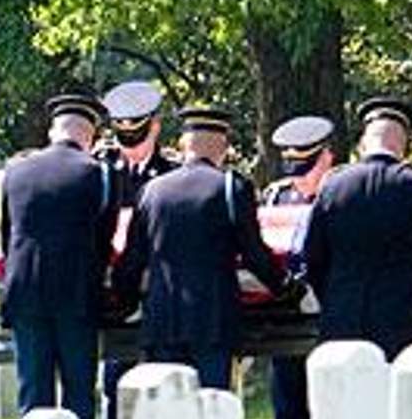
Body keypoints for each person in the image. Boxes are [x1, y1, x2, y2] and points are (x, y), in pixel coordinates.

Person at [113, 107, 298, 388]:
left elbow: (132, 259)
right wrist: (287, 290)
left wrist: (122, 299)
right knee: (212, 413)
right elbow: (254, 254)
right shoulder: (230, 188)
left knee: (165, 418)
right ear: (223, 147)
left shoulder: (152, 191)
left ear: (182, 145)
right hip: (213, 323)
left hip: (163, 323)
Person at [0, 93, 118, 419]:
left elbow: (6, 234)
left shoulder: (16, 170)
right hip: (76, 293)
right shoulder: (99, 174)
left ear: (53, 130)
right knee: (79, 390)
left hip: (25, 290)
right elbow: (104, 238)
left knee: (34, 388)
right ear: (91, 135)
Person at [294, 96, 412, 360]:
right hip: (402, 319)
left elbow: (313, 255)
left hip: (343, 319)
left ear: (363, 142)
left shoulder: (333, 184)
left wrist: (334, 295)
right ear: (404, 144)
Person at [97, 80, 179, 419]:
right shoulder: (99, 171)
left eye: (138, 134)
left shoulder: (171, 174)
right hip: (115, 294)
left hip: (162, 291)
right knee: (116, 379)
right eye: (123, 135)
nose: (130, 144)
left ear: (155, 127)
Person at [262, 114, 335, 419]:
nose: (298, 176)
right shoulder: (276, 195)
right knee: (289, 404)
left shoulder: (339, 192)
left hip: (331, 313)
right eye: (293, 166)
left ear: (327, 158)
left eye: (306, 166)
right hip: (289, 315)